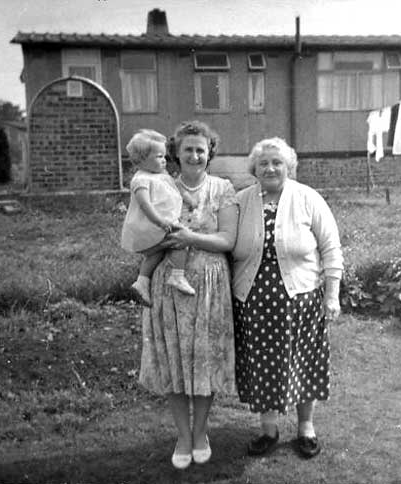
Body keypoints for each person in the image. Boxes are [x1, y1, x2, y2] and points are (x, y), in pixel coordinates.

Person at [231, 137, 344, 459]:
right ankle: (268, 430)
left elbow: (331, 248)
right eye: (264, 163)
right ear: (254, 168)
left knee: (303, 363)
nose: (270, 168)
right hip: (253, 302)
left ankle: (305, 427)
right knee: (261, 365)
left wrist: (332, 295)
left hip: (302, 300)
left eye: (277, 162)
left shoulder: (308, 198)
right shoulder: (241, 201)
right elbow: (226, 245)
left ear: (289, 167)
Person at [138, 121, 238, 469]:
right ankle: (183, 435)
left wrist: (190, 239)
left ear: (210, 152)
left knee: (204, 361)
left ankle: (200, 432)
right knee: (176, 363)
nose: (195, 155)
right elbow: (142, 237)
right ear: (175, 154)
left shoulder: (223, 188)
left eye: (201, 149)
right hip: (169, 285)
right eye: (187, 149)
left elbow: (227, 240)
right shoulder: (160, 187)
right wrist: (164, 242)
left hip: (211, 285)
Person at [120, 129, 197, 306]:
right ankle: (177, 276)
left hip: (159, 224)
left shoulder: (161, 175)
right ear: (141, 159)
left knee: (156, 252)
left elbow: (176, 187)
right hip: (151, 224)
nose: (164, 160)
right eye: (159, 156)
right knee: (181, 238)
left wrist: (188, 199)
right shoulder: (141, 179)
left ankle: (142, 281)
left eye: (164, 156)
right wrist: (159, 221)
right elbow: (145, 204)